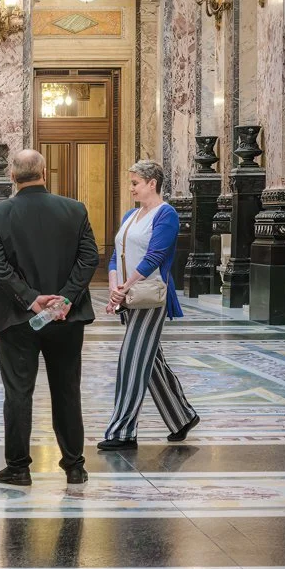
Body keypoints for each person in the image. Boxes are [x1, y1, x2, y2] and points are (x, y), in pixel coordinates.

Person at [0, 147, 97, 488]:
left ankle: (18, 468)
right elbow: (89, 258)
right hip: (66, 318)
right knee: (67, 390)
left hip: (19, 319)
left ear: (12, 176)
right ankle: (74, 466)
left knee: (18, 392)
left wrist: (32, 300)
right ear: (45, 172)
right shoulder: (74, 209)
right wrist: (65, 298)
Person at [98, 160, 199, 450]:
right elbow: (117, 255)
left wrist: (124, 288)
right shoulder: (130, 215)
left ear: (151, 183)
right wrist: (114, 286)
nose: (131, 188)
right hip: (130, 295)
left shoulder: (166, 214)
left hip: (150, 296)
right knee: (149, 359)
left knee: (131, 360)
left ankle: (122, 432)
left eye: (135, 183)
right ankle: (182, 417)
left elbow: (155, 257)